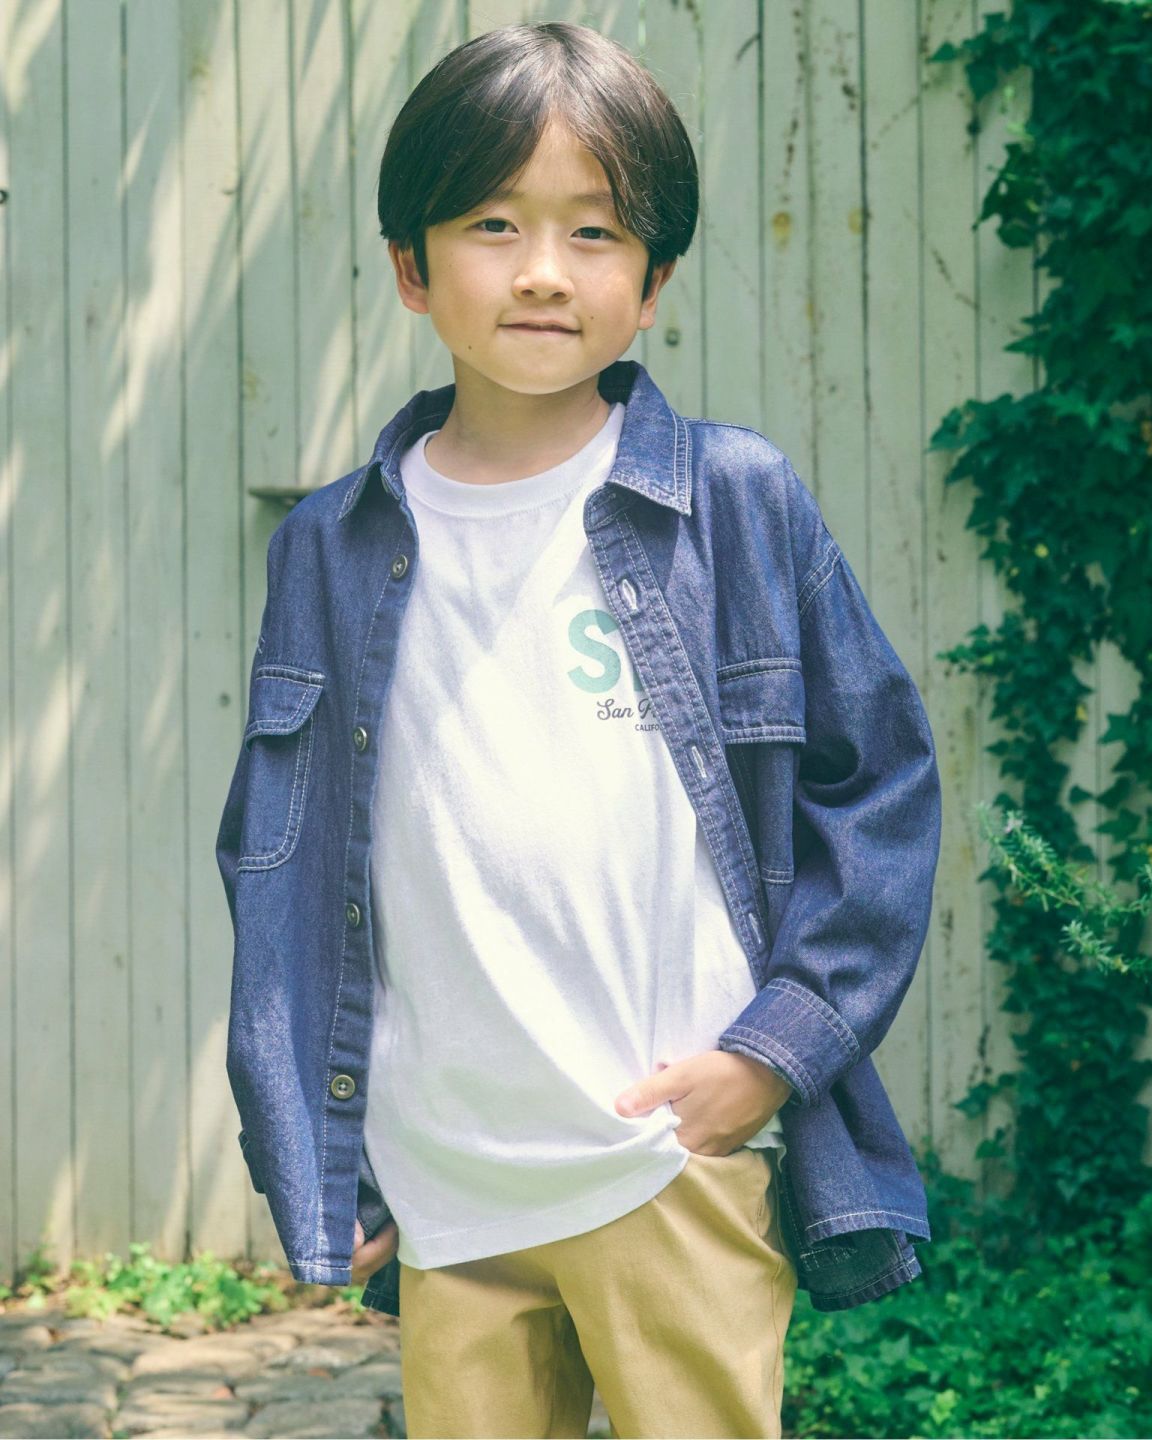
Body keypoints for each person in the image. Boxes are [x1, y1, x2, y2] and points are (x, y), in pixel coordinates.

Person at [216, 20, 941, 1440]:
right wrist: (319, 1149)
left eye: (595, 230)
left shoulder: (734, 504)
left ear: (653, 282)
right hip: (448, 1175)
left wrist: (771, 1054)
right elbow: (275, 864)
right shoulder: (329, 550)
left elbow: (881, 790)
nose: (544, 270)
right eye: (493, 224)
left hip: (667, 1157)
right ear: (411, 267)